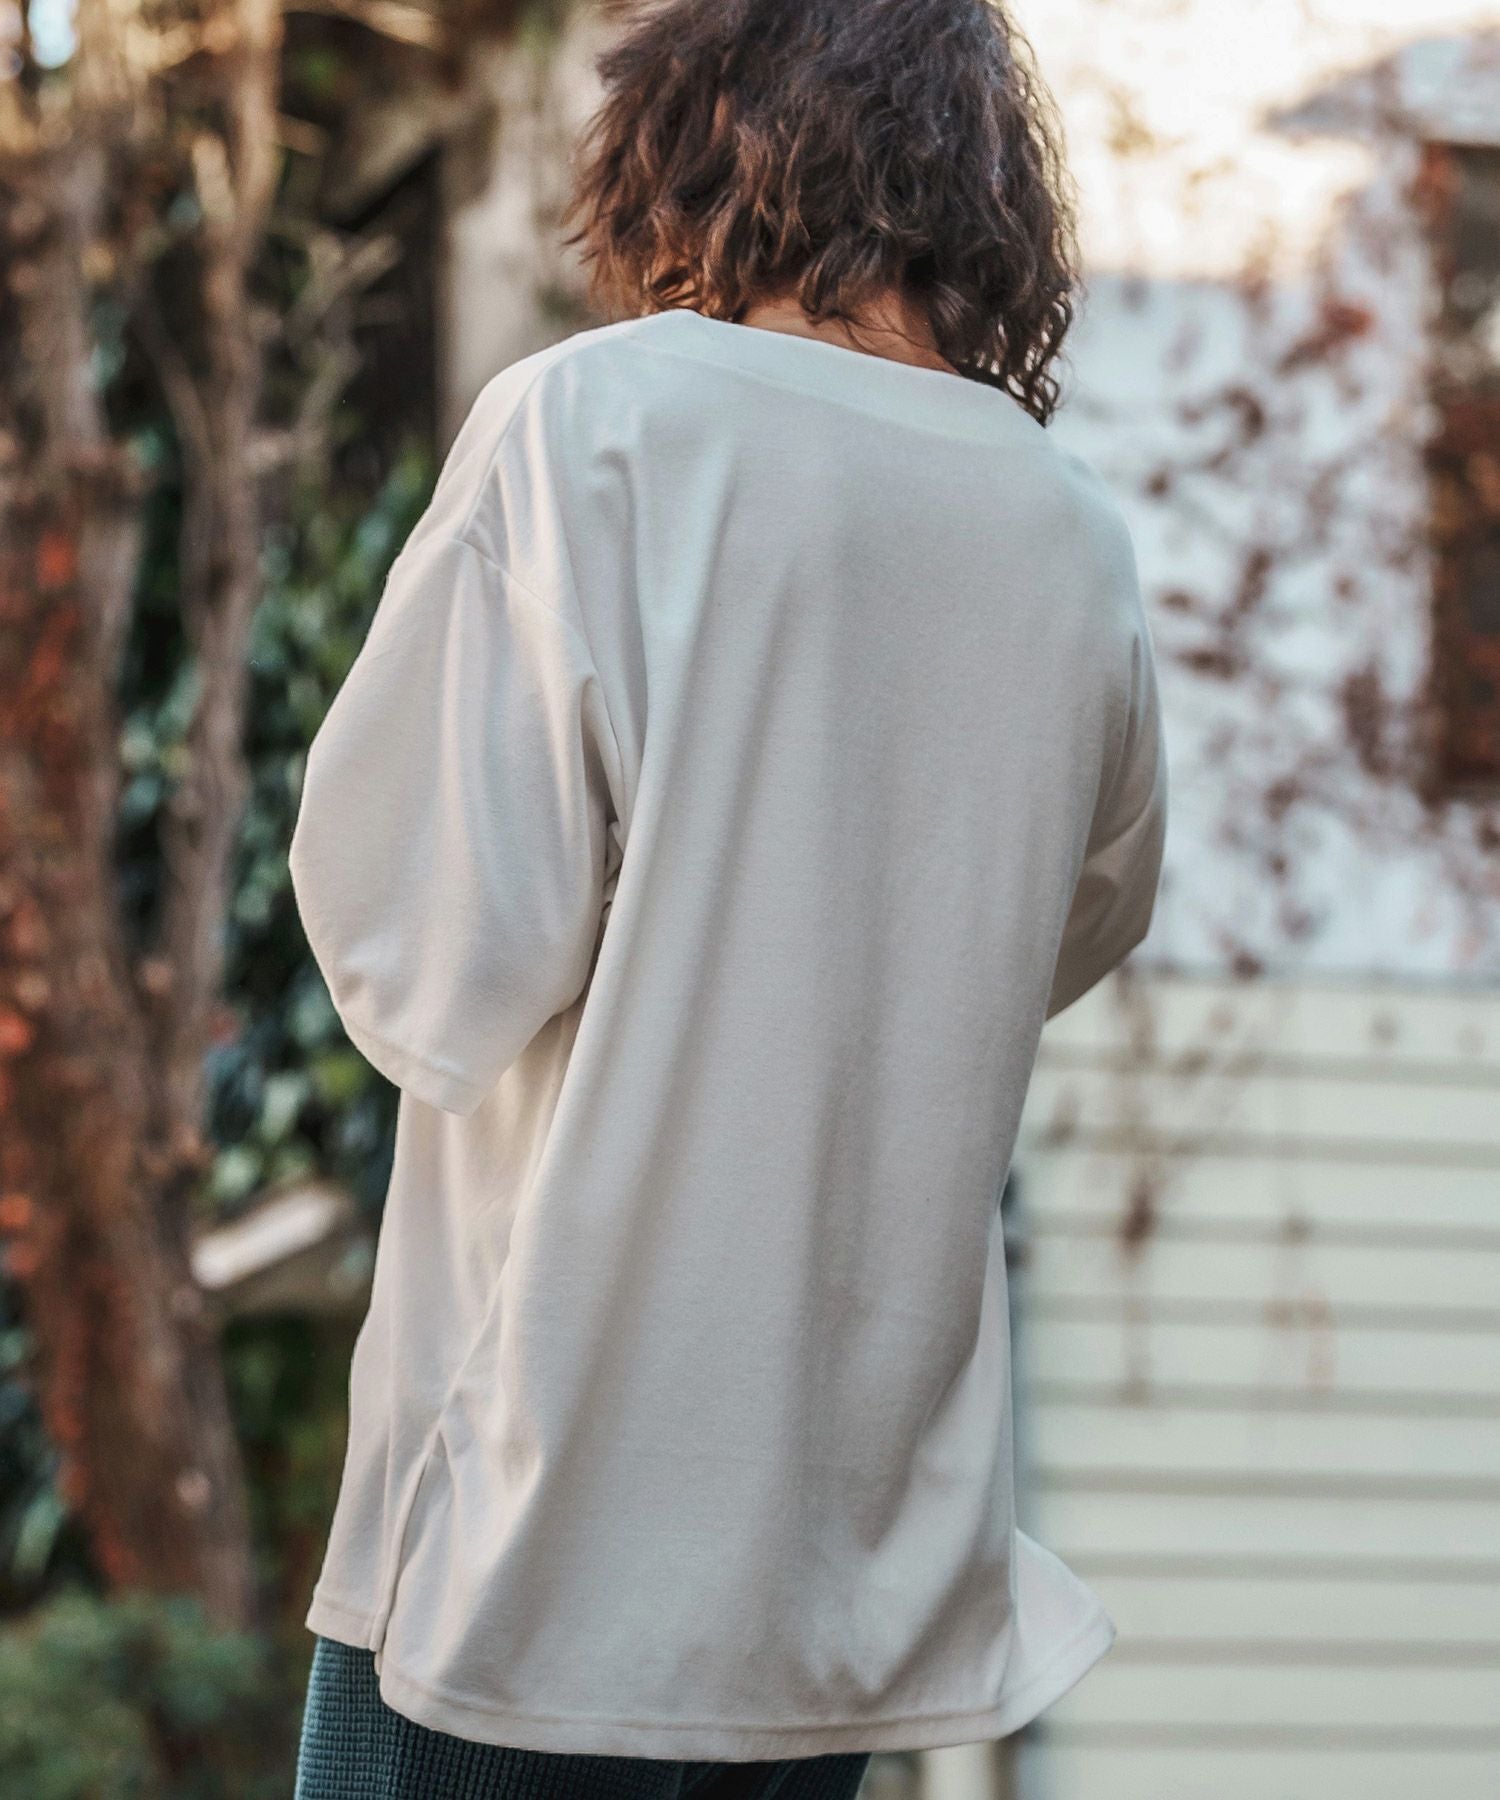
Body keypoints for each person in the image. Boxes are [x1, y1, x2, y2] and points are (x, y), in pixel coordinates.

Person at [287, 0, 1169, 1795]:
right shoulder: (1067, 533)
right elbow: (1069, 923)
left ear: (689, 143)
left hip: (532, 1554)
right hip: (837, 1587)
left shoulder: (591, 428)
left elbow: (431, 966)